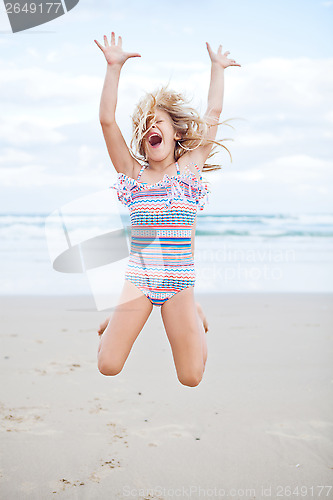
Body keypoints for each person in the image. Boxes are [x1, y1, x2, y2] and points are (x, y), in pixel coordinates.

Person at [94, 32, 240, 387]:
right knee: (107, 365)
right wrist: (113, 67)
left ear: (176, 133)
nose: (151, 128)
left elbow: (213, 111)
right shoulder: (132, 173)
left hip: (179, 284)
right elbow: (107, 121)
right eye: (146, 125)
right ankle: (117, 318)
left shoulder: (189, 168)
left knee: (191, 377)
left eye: (159, 121)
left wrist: (217, 68)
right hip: (139, 281)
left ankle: (195, 310)